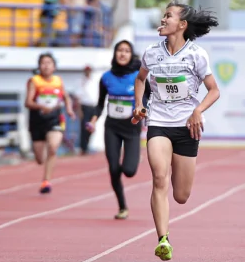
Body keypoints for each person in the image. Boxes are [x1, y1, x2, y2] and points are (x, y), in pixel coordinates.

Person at [132, 0, 221, 261]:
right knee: (159, 178)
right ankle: (163, 239)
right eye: (163, 16)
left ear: (181, 24)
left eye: (167, 16)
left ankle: (172, 207)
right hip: (158, 123)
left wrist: (197, 111)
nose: (162, 20)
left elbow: (214, 90)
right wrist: (139, 105)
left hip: (186, 127)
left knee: (181, 195)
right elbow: (140, 79)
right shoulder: (151, 53)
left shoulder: (197, 55)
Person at [87, 40, 151, 220]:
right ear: (115, 54)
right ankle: (122, 206)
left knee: (129, 171)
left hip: (131, 126)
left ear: (131, 55)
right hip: (112, 127)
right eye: (120, 51)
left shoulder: (138, 76)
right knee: (114, 168)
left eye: (126, 51)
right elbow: (99, 104)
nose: (122, 54)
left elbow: (147, 97)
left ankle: (133, 156)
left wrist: (143, 110)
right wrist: (93, 120)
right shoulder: (106, 77)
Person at [24, 53, 76, 194]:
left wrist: (69, 109)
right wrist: (41, 107)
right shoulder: (34, 81)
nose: (46, 65)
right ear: (39, 66)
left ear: (54, 66)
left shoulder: (58, 81)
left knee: (53, 147)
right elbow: (28, 102)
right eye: (43, 63)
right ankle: (45, 156)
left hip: (55, 119)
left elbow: (65, 97)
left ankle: (46, 181)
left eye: (49, 63)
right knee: (40, 159)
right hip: (37, 121)